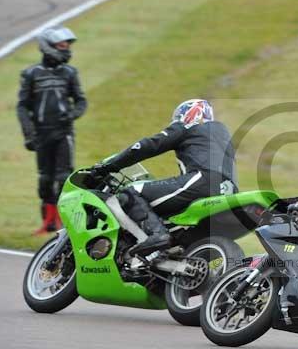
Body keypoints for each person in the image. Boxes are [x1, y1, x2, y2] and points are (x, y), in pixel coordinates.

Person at [90, 99, 238, 262]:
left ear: (188, 113)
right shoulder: (222, 134)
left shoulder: (187, 126)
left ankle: (157, 235)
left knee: (130, 193)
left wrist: (108, 166)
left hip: (203, 181)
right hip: (229, 191)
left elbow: (146, 146)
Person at [17, 26, 87, 235]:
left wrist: (72, 114)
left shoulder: (70, 73)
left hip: (64, 133)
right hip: (41, 134)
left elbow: (81, 101)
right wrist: (29, 134)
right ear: (47, 47)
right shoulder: (31, 74)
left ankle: (65, 224)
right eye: (62, 46)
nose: (66, 50)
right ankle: (48, 224)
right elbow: (22, 106)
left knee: (64, 177)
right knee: (45, 180)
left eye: (67, 46)